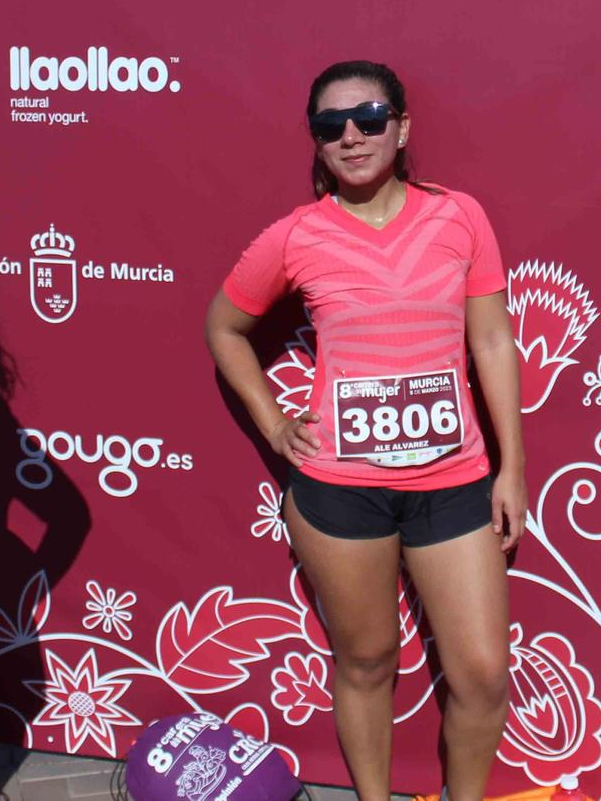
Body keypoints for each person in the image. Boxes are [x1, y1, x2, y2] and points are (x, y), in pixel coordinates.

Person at [204, 61, 524, 801]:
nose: (351, 135)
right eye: (330, 125)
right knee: (368, 659)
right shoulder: (296, 236)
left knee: (481, 672)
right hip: (340, 491)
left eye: (370, 117)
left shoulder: (460, 216)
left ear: (402, 127)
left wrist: (512, 467)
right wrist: (275, 421)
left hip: (452, 482)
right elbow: (223, 326)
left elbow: (492, 344)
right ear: (315, 142)